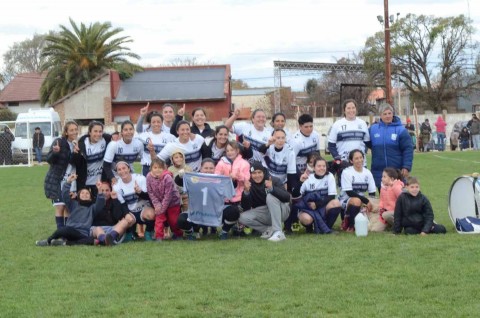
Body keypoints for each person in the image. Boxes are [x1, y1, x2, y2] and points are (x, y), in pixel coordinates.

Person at [176, 159, 240, 240]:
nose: (208, 170)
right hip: (197, 212)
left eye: (211, 168)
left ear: (215, 169)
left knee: (234, 211)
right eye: (206, 168)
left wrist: (232, 180)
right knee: (181, 219)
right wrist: (181, 176)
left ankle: (224, 232)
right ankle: (190, 233)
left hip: (215, 212)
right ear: (201, 168)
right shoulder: (194, 178)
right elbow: (179, 182)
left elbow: (232, 186)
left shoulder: (219, 180)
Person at [36, 175, 106, 246]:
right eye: (82, 193)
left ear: (90, 198)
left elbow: (101, 203)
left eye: (87, 193)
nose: (85, 194)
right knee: (63, 230)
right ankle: (48, 241)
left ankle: (65, 243)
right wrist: (68, 182)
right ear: (78, 196)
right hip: (70, 230)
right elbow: (64, 194)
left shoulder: (92, 208)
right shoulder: (73, 204)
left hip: (82, 234)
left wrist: (100, 190)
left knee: (90, 240)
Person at [239, 162, 291, 242]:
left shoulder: (273, 180)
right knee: (241, 217)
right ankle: (269, 230)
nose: (257, 176)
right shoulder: (249, 184)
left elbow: (287, 198)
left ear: (263, 172)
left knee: (270, 196)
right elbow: (246, 207)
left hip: (282, 210)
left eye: (259, 172)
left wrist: (272, 189)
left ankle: (278, 232)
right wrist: (246, 192)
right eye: (254, 173)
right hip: (264, 212)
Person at [369, 102, 413, 190]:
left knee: (398, 199)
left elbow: (408, 149)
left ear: (393, 114)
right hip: (379, 172)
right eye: (384, 114)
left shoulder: (401, 130)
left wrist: (406, 166)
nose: (387, 116)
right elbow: (366, 143)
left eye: (389, 113)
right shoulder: (373, 129)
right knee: (384, 198)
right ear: (380, 115)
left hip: (396, 171)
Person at [44, 121, 80, 229]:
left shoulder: (77, 144)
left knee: (68, 207)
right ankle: (60, 232)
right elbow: (49, 160)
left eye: (75, 129)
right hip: (58, 180)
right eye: (71, 130)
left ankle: (66, 234)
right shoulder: (59, 142)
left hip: (71, 180)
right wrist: (55, 152)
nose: (74, 132)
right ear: (66, 132)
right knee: (60, 206)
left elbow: (76, 163)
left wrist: (76, 152)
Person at [293, 157, 342, 234]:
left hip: (322, 206)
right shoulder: (307, 178)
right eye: (319, 166)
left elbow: (332, 196)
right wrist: (300, 182)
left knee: (336, 203)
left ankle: (326, 227)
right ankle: (309, 228)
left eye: (324, 166)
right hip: (308, 208)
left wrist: (317, 204)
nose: (321, 168)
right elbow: (295, 195)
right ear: (314, 168)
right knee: (306, 219)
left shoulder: (329, 176)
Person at [214, 141, 251, 238]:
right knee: (230, 213)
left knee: (239, 214)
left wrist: (238, 175)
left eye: (232, 150)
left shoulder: (245, 163)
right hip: (225, 198)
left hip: (239, 197)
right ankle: (225, 230)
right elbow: (216, 178)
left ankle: (239, 228)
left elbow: (247, 179)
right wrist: (227, 177)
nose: (230, 152)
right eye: (227, 150)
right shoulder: (221, 163)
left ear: (238, 151)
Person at [112, 161, 156, 241]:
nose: (122, 171)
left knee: (151, 214)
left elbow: (149, 197)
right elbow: (122, 204)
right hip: (131, 212)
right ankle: (126, 234)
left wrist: (140, 193)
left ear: (129, 169)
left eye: (124, 168)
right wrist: (126, 214)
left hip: (144, 209)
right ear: (117, 172)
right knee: (126, 220)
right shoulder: (116, 186)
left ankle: (148, 232)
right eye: (119, 170)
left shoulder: (140, 178)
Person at [339, 150, 377, 232]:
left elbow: (372, 192)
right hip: (346, 199)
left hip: (362, 199)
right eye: (356, 158)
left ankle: (359, 219)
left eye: (361, 157)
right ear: (351, 161)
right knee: (357, 200)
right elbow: (349, 192)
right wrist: (366, 201)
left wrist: (369, 203)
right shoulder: (347, 172)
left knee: (375, 204)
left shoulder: (367, 173)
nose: (359, 160)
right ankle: (351, 225)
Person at [146, 158, 183, 241]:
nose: (157, 170)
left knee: (173, 221)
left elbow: (168, 195)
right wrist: (157, 205)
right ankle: (159, 237)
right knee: (159, 219)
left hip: (172, 202)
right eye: (155, 168)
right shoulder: (148, 177)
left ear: (164, 169)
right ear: (151, 168)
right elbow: (150, 192)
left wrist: (162, 208)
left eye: (160, 168)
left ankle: (178, 234)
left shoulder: (167, 178)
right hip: (158, 203)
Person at [328, 99, 370, 171]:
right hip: (343, 164)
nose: (351, 110)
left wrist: (362, 153)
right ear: (344, 110)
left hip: (361, 164)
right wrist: (337, 157)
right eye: (348, 108)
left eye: (353, 108)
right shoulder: (337, 124)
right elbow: (331, 145)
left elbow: (367, 143)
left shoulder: (363, 124)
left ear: (356, 109)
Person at [74, 121, 112, 199]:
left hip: (100, 181)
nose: (98, 134)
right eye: (95, 131)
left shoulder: (106, 140)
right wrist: (75, 153)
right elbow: (75, 162)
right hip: (85, 181)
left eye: (100, 131)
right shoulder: (82, 143)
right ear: (90, 132)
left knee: (101, 206)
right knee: (85, 206)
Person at [103, 120, 144, 185]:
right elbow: (106, 165)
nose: (128, 132)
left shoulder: (139, 144)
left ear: (134, 131)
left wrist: (139, 177)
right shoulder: (114, 144)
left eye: (131, 129)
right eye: (126, 130)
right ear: (121, 132)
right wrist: (113, 179)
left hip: (132, 177)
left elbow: (141, 162)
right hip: (117, 177)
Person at [370, 167, 404, 232]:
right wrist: (381, 208)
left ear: (392, 179)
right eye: (382, 176)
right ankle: (390, 225)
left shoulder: (397, 186)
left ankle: (399, 226)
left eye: (384, 177)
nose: (382, 178)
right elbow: (382, 200)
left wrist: (393, 186)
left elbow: (402, 198)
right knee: (375, 230)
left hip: (397, 213)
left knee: (385, 215)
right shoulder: (383, 188)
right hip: (386, 212)